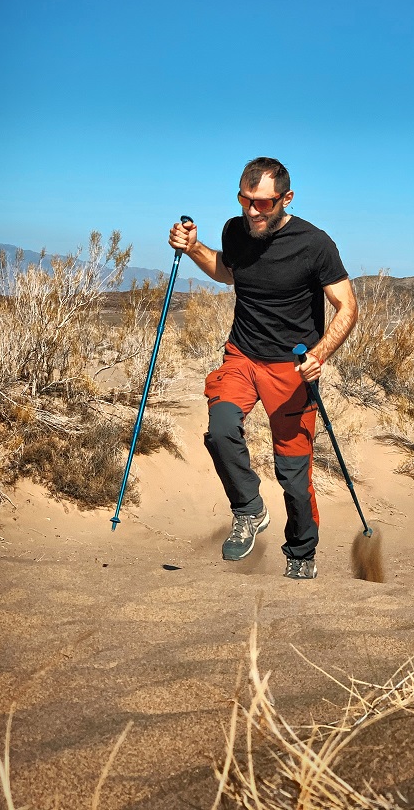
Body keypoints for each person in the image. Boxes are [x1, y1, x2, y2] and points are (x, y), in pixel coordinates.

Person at [168, 157, 357, 579]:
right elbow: (231, 273)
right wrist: (195, 248)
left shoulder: (315, 243)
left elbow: (348, 306)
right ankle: (249, 510)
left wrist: (320, 353)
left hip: (291, 369)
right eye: (245, 200)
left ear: (285, 199)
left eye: (264, 204)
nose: (252, 211)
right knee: (219, 429)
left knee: (293, 475)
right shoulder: (235, 230)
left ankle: (302, 554)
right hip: (242, 356)